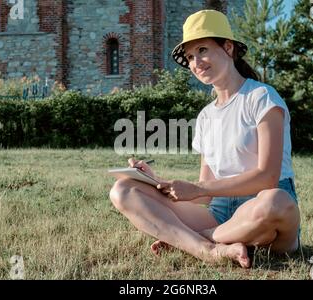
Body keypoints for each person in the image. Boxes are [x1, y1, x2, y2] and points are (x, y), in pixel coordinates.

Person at [109, 9, 300, 268]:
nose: (195, 61)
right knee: (123, 190)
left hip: (262, 207)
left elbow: (267, 177)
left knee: (274, 201)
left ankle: (194, 239)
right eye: (189, 56)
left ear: (228, 47)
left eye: (202, 50)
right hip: (220, 213)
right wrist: (157, 182)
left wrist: (199, 189)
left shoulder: (262, 98)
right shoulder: (206, 117)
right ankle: (209, 250)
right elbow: (203, 195)